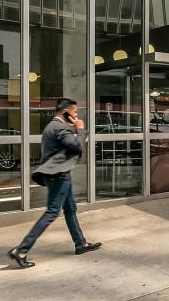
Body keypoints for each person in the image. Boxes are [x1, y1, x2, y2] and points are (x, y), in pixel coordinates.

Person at [8, 98, 101, 269]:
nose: (76, 115)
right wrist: (81, 129)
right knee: (52, 212)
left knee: (70, 209)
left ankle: (80, 243)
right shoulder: (59, 127)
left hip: (59, 174)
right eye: (74, 112)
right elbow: (76, 146)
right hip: (58, 175)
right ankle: (21, 250)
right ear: (65, 112)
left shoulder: (53, 126)